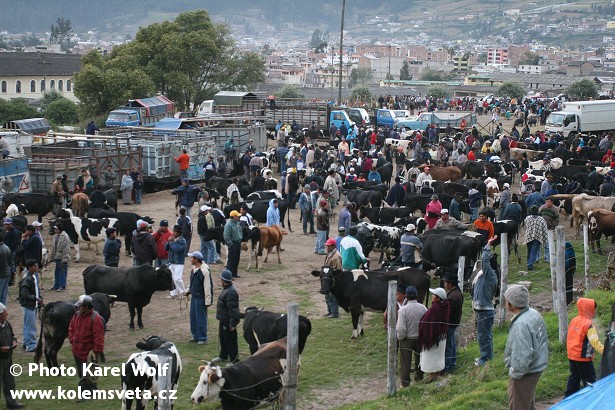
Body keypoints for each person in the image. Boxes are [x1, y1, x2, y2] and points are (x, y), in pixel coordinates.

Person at [504, 285, 549, 410]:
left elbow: (521, 354)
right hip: (536, 366)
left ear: (512, 304)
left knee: (518, 405)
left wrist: (515, 374)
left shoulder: (521, 325)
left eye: (506, 299)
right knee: (527, 403)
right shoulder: (533, 314)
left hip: (525, 373)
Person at [565, 297, 604, 397]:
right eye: (593, 309)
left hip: (572, 356)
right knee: (590, 380)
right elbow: (595, 342)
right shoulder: (589, 325)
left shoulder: (574, 320)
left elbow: (570, 336)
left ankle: (568, 398)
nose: (594, 311)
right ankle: (592, 399)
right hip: (583, 359)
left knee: (574, 377)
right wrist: (606, 350)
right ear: (588, 309)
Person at [68, 295, 106, 392]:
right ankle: (92, 389)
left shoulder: (96, 319)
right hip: (77, 351)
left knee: (87, 375)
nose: (78, 308)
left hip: (88, 353)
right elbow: (71, 328)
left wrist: (95, 351)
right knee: (81, 373)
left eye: (80, 306)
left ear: (86, 306)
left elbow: (99, 338)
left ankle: (86, 393)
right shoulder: (76, 315)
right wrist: (72, 340)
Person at [473, 236, 499, 367]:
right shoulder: (488, 276)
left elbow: (484, 261)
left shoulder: (489, 275)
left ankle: (485, 359)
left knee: (483, 336)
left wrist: (487, 246)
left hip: (485, 310)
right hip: (483, 308)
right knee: (485, 335)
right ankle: (488, 356)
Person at [397, 286, 427, 387]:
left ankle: (405, 383)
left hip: (407, 339)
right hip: (420, 338)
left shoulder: (403, 310)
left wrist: (401, 337)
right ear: (417, 296)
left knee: (405, 362)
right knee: (420, 359)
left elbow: (401, 328)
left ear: (406, 296)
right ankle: (419, 377)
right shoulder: (423, 308)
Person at [418, 287, 450, 383]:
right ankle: (436, 374)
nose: (432, 296)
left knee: (432, 357)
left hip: (434, 338)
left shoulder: (435, 309)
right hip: (441, 336)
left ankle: (432, 376)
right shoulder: (445, 306)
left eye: (434, 295)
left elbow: (427, 321)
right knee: (438, 356)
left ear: (438, 298)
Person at [186, 251, 213, 344]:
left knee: (201, 318)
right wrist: (187, 290)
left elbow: (207, 286)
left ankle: (202, 338)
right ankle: (195, 335)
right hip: (194, 297)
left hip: (201, 298)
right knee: (193, 317)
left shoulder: (204, 271)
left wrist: (208, 300)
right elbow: (192, 282)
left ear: (196, 259)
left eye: (192, 258)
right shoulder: (194, 269)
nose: (190, 260)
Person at [0, 303, 24, 409]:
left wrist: (14, 341)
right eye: (5, 312)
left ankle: (11, 403)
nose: (7, 313)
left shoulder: (7, 324)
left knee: (9, 382)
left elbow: (13, 335)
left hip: (8, 357)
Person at [214, 270, 240, 364]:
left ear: (224, 280)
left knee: (230, 341)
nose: (220, 280)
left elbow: (233, 309)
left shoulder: (230, 292)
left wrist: (232, 324)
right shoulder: (226, 288)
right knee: (223, 339)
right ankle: (223, 356)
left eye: (221, 279)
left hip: (228, 321)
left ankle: (234, 360)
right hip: (224, 320)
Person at [19, 259, 41, 352]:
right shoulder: (26, 279)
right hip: (28, 305)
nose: (36, 267)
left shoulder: (33, 276)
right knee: (31, 326)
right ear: (29, 267)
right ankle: (31, 345)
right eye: (34, 266)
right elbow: (24, 294)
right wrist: (35, 298)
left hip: (32, 304)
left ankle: (26, 342)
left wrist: (38, 297)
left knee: (27, 325)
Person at [443, 272, 463, 373]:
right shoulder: (457, 292)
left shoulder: (452, 297)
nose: (444, 285)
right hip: (454, 322)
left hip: (450, 323)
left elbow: (448, 312)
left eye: (445, 283)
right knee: (452, 344)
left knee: (449, 345)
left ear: (450, 284)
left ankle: (447, 366)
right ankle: (452, 363)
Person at [165, 225, 187, 299]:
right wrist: (168, 242)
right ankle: (174, 294)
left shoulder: (183, 241)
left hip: (179, 262)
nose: (173, 233)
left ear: (179, 233)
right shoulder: (172, 239)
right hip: (171, 261)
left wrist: (171, 242)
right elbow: (166, 248)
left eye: (174, 232)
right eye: (173, 231)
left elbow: (177, 249)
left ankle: (183, 293)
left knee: (177, 278)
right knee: (172, 278)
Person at [524, 205, 548, 271]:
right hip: (537, 237)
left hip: (529, 237)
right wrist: (545, 239)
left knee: (529, 251)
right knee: (533, 252)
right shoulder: (541, 219)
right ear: (538, 210)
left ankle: (528, 264)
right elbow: (545, 229)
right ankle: (530, 265)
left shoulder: (527, 218)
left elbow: (526, 226)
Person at [323, 238, 341, 318]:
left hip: (333, 280)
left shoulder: (336, 256)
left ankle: (334, 313)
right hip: (328, 279)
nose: (327, 247)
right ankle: (330, 311)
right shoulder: (330, 253)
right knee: (327, 296)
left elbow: (339, 270)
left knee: (332, 297)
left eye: (329, 246)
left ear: (333, 246)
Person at [50, 222, 70, 292]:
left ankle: (62, 285)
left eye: (56, 229)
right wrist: (52, 257)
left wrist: (64, 259)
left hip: (62, 257)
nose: (55, 230)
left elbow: (66, 248)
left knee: (62, 271)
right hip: (57, 257)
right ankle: (56, 285)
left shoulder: (65, 236)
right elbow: (53, 248)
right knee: (57, 271)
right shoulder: (55, 236)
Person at [223, 210, 243, 278]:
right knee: (231, 260)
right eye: (237, 216)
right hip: (233, 244)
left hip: (237, 243)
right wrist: (230, 244)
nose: (239, 217)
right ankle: (229, 275)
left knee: (236, 259)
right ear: (234, 216)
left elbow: (240, 231)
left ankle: (234, 273)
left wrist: (240, 238)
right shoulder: (228, 225)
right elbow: (226, 236)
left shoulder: (237, 223)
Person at [540, 196, 559, 262]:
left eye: (549, 202)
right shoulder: (542, 207)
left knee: (548, 244)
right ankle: (538, 258)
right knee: (540, 243)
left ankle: (547, 258)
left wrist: (553, 227)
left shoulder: (555, 209)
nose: (548, 203)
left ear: (552, 202)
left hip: (550, 228)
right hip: (542, 228)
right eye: (547, 202)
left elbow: (556, 219)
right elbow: (539, 216)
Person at [0, 237, 9, 306]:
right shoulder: (6, 247)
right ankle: (2, 311)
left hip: (1, 274)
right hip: (7, 272)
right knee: (3, 295)